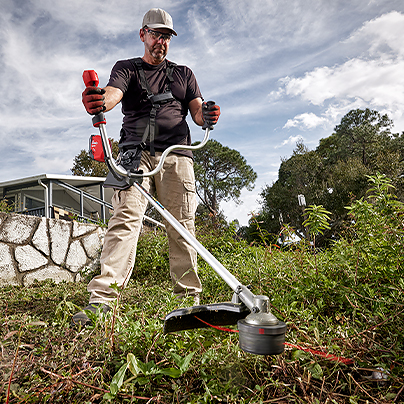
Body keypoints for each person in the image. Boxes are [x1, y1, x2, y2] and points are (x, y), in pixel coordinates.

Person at [72, 8, 220, 326]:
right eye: (155, 34)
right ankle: (102, 302)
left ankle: (189, 302)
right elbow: (113, 94)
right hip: (134, 154)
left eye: (166, 36)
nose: (161, 42)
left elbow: (196, 110)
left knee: (182, 224)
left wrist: (207, 114)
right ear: (143, 34)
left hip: (177, 155)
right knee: (125, 220)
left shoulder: (184, 74)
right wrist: (99, 100)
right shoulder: (127, 68)